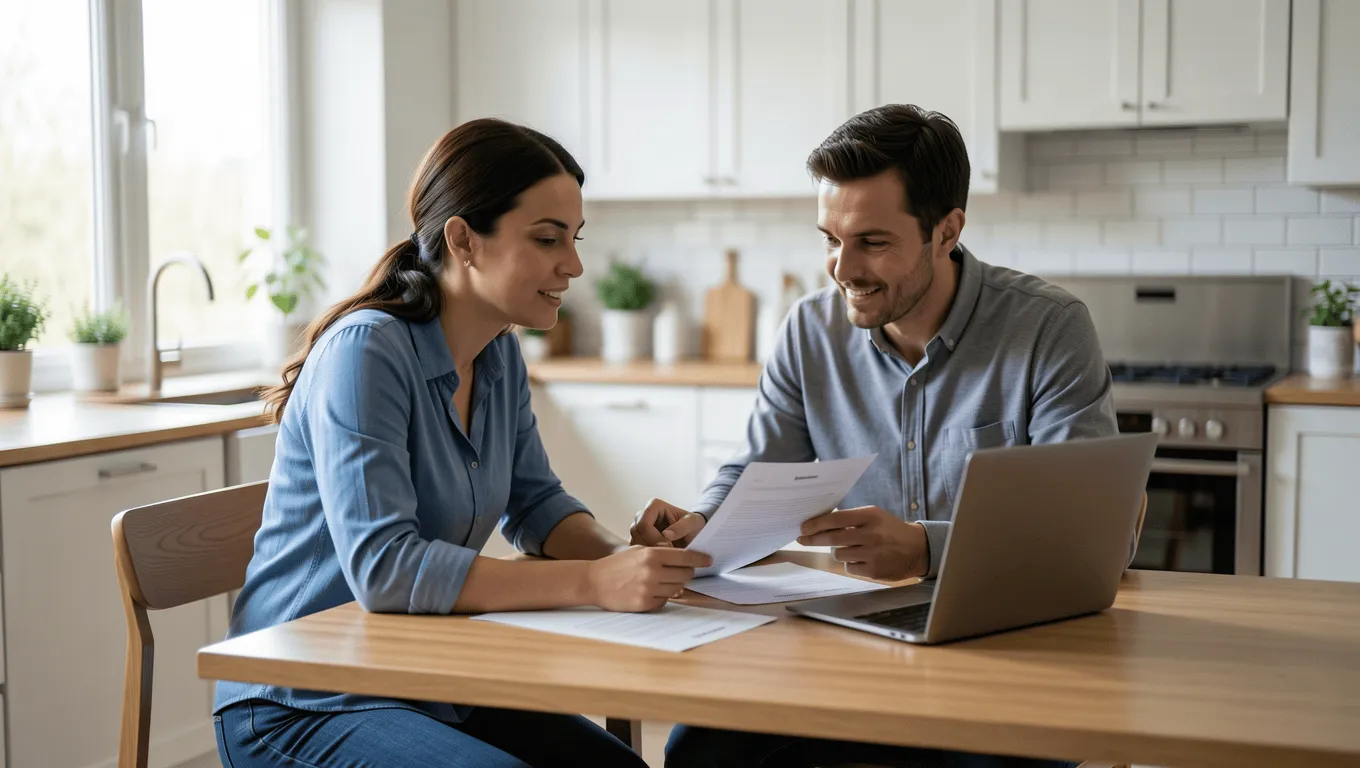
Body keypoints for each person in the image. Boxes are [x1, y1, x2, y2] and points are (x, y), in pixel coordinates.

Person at [213, 118, 709, 768]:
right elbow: (385, 569)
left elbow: (534, 505)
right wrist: (593, 581)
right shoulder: (366, 352)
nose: (575, 264)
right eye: (546, 238)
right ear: (464, 240)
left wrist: (630, 560)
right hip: (302, 700)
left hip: (429, 679)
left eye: (573, 238)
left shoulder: (498, 353)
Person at [632, 105, 1115, 767]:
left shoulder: (1048, 330)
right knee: (699, 754)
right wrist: (700, 524)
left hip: (1007, 652)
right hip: (844, 645)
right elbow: (757, 472)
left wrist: (924, 547)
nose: (841, 267)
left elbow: (1083, 540)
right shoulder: (809, 332)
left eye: (872, 242)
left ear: (947, 231)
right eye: (830, 238)